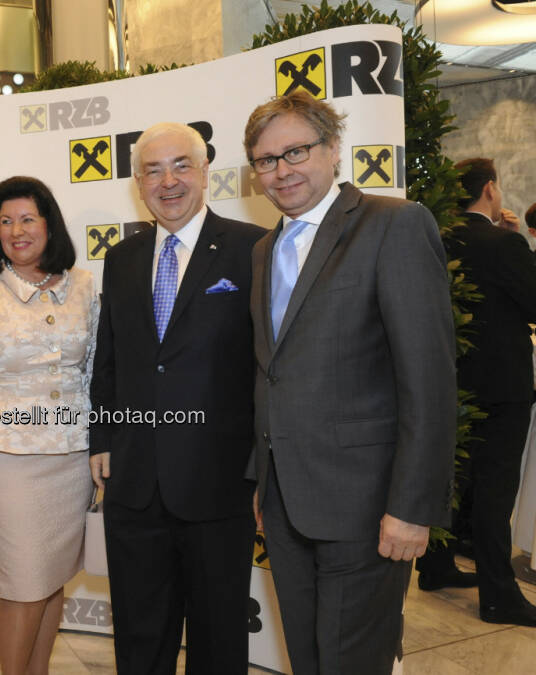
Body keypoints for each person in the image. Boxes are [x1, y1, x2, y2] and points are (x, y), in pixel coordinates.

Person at [244, 91, 457, 673]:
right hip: (286, 504)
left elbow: (429, 378)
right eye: (266, 160)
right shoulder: (264, 249)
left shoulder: (394, 224)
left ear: (333, 149)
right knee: (309, 660)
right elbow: (274, 373)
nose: (281, 170)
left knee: (353, 663)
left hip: (367, 509)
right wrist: (264, 482)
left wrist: (413, 506)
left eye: (296, 151)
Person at [89, 122, 265, 674]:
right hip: (135, 485)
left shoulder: (253, 249)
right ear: (138, 182)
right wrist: (101, 438)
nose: (168, 182)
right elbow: (110, 359)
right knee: (141, 640)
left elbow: (269, 366)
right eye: (152, 170)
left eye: (181, 166)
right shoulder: (121, 259)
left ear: (206, 170)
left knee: (218, 642)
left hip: (220, 484)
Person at [0, 176, 98, 675]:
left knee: (51, 581)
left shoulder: (84, 286)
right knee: (22, 587)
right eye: (5, 221)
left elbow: (95, 371)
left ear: (49, 224)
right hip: (6, 461)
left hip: (72, 458)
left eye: (27, 218)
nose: (16, 230)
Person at [429, 159, 536, 626]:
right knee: (495, 492)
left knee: (450, 479)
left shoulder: (437, 238)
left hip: (448, 381)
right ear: (490, 189)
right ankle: (498, 596)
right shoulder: (505, 242)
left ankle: (434, 566)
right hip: (501, 385)